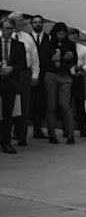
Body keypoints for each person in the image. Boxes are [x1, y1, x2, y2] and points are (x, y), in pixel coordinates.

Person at [8, 11, 39, 146]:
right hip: (7, 75)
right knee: (8, 105)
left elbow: (34, 57)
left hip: (24, 74)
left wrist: (35, 74)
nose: (23, 23)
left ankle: (22, 136)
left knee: (24, 106)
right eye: (20, 21)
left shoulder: (27, 37)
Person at [45, 22, 77, 145]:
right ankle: (51, 134)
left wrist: (62, 58)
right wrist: (62, 57)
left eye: (64, 32)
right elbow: (45, 60)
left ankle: (70, 134)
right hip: (51, 75)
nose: (62, 34)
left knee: (65, 105)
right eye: (59, 32)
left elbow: (73, 60)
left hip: (65, 76)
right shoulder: (48, 44)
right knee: (51, 105)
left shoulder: (70, 44)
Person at [1, 17, 26, 154]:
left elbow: (22, 65)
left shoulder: (18, 45)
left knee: (8, 114)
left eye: (11, 28)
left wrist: (11, 69)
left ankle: (6, 142)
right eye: (6, 28)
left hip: (10, 82)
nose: (9, 31)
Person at [30, 15, 52, 139]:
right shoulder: (28, 37)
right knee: (29, 102)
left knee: (41, 102)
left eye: (39, 22)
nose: (37, 24)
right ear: (31, 24)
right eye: (35, 22)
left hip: (44, 73)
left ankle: (38, 129)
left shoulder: (48, 38)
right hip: (31, 73)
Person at [68, 28, 86, 138]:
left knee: (80, 104)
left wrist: (82, 68)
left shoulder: (83, 49)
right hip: (68, 77)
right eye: (71, 35)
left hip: (79, 77)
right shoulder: (66, 48)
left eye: (75, 35)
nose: (73, 38)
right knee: (67, 104)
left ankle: (83, 129)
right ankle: (67, 128)